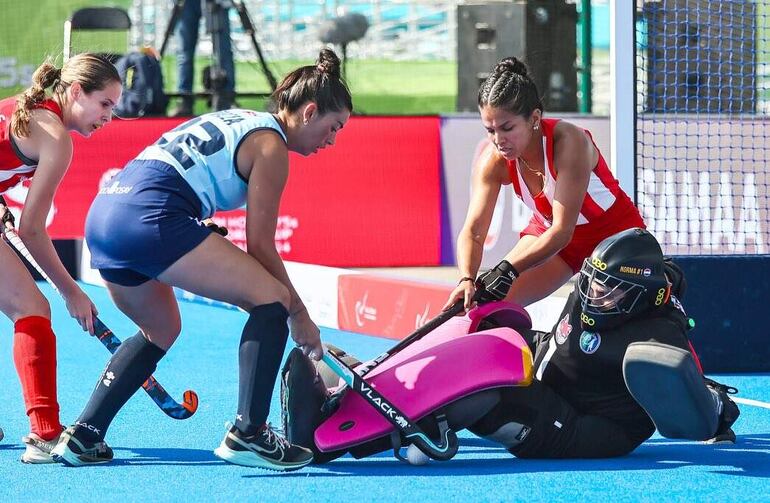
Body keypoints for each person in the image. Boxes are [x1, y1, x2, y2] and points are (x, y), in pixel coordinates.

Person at [51, 49, 352, 471]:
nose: (332, 141)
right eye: (332, 127)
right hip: (150, 217)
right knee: (272, 301)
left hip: (104, 216)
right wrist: (298, 314)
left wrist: (190, 222)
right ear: (309, 111)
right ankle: (249, 433)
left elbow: (174, 170)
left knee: (160, 328)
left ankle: (84, 434)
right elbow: (262, 245)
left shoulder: (239, 118)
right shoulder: (272, 146)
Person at [282, 228, 739, 462]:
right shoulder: (618, 286)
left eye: (610, 290)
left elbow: (683, 391)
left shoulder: (657, 334)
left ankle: (333, 442)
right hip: (552, 373)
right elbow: (662, 273)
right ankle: (357, 383)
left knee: (480, 392)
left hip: (582, 427)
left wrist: (713, 409)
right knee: (481, 334)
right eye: (594, 282)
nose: (596, 294)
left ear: (642, 297)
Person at [444, 56, 645, 313]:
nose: (498, 140)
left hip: (614, 237)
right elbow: (473, 232)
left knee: (609, 320)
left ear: (534, 117)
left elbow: (563, 231)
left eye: (507, 128)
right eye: (490, 130)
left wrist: (508, 269)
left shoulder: (569, 142)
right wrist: (467, 279)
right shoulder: (493, 162)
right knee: (484, 307)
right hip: (548, 236)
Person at [0, 54, 122, 463]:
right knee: (32, 307)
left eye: (114, 108)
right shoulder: (54, 136)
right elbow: (31, 228)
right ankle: (45, 435)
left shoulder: (30, 110)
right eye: (104, 104)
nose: (109, 116)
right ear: (74, 91)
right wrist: (72, 292)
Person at [170, 0, 235, 116]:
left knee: (223, 52)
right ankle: (185, 101)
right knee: (185, 53)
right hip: (187, 3)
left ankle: (226, 99)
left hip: (217, 3)